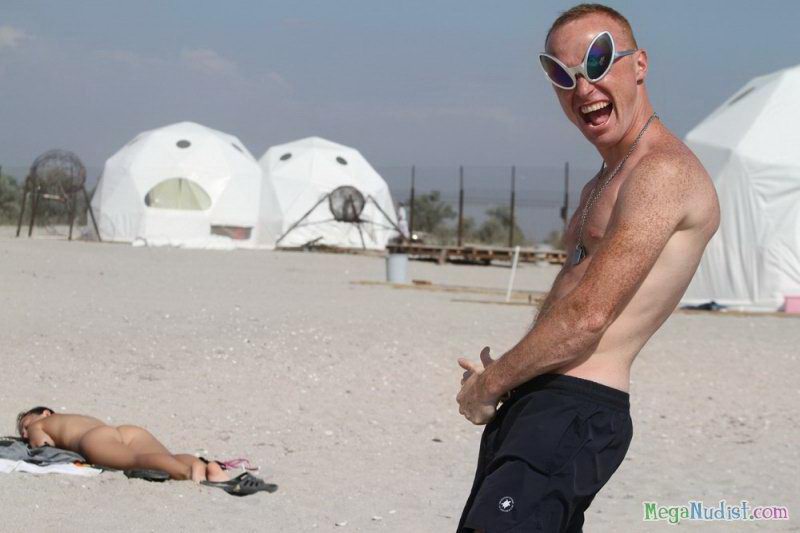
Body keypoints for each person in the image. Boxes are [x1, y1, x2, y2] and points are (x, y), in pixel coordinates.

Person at [455, 4, 720, 532]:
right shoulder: (603, 181)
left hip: (576, 408)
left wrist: (488, 387)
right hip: (540, 406)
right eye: (561, 74)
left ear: (639, 64)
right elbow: (570, 301)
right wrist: (510, 377)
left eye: (598, 62)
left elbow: (588, 317)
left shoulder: (662, 172)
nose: (582, 87)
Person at [16, 406, 274, 495]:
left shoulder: (40, 424)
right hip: (124, 430)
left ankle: (191, 474)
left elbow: (42, 447)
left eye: (25, 425)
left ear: (45, 413)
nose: (25, 433)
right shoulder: (76, 417)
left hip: (93, 440)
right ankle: (210, 468)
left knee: (137, 461)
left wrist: (29, 442)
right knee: (165, 457)